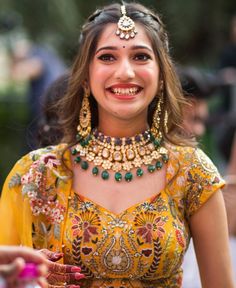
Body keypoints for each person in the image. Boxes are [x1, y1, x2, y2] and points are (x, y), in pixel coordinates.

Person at [0, 2, 234, 287]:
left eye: (140, 56)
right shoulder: (36, 174)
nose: (125, 72)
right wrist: (31, 274)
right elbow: (8, 273)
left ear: (161, 77)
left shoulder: (192, 173)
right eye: (107, 57)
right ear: (85, 77)